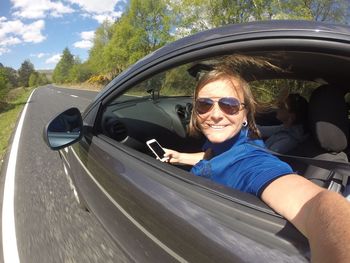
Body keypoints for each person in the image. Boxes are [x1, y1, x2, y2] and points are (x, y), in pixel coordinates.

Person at [164, 62, 350, 262]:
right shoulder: (227, 140)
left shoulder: (251, 161)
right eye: (204, 104)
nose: (216, 115)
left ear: (244, 113)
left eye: (229, 105)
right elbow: (212, 157)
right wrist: (180, 157)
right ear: (196, 111)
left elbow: (318, 206)